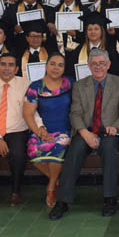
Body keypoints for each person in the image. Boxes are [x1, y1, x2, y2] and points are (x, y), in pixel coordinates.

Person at [49, 48, 119, 219]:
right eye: (94, 64)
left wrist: (115, 127)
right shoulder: (80, 86)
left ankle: (110, 199)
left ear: (108, 65)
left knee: (109, 148)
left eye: (102, 63)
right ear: (89, 66)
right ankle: (62, 202)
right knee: (75, 149)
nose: (98, 67)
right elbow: (75, 113)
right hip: (86, 131)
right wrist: (84, 133)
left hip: (110, 132)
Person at [0, 53, 33, 207]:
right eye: (3, 64)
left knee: (18, 154)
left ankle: (16, 191)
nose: (6, 68)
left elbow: (31, 111)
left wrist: (39, 127)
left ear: (16, 68)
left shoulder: (26, 85)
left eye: (10, 65)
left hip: (17, 130)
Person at [24, 54, 73, 207]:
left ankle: (51, 187)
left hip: (65, 129)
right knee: (33, 150)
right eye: (52, 64)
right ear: (46, 66)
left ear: (64, 69)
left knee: (58, 147)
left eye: (60, 65)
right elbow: (28, 114)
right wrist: (39, 132)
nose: (55, 68)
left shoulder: (70, 84)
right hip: (43, 129)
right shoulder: (35, 87)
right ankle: (58, 181)